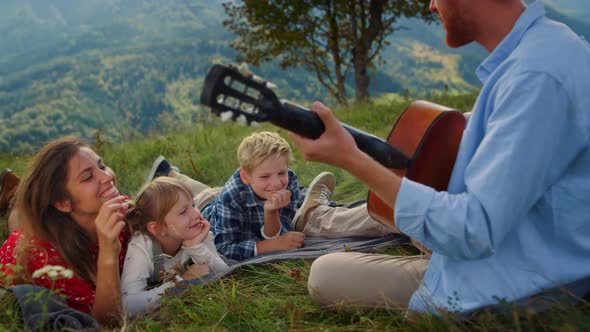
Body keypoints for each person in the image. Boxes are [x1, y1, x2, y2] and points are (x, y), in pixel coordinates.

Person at [288, 0, 590, 315]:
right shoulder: (552, 45)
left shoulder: (534, 76)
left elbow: (472, 231)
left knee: (326, 272)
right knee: (416, 197)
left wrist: (352, 160)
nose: (431, 6)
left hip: (521, 281)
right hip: (530, 243)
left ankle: (321, 221)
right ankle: (320, 219)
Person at [200, 131, 391, 261]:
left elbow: (285, 228)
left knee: (194, 186)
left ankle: (312, 200)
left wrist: (271, 213)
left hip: (242, 200)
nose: (276, 183)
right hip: (207, 204)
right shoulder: (231, 198)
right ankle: (171, 172)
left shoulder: (288, 179)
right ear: (245, 176)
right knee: (184, 193)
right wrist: (267, 246)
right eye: (266, 176)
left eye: (281, 173)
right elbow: (225, 248)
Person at [0, 136, 130, 325]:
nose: (108, 176)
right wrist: (108, 252)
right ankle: (16, 197)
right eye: (87, 177)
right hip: (24, 251)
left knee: (23, 216)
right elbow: (107, 322)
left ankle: (15, 193)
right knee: (23, 222)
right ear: (62, 202)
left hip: (58, 221)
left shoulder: (115, 209)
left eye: (102, 166)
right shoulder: (46, 261)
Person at [121, 177, 230, 316]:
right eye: (183, 212)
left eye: (193, 204)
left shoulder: (194, 231)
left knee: (212, 194)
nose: (196, 214)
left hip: (206, 205)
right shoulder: (142, 246)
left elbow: (225, 273)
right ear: (157, 228)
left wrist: (196, 247)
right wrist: (181, 281)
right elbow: (128, 305)